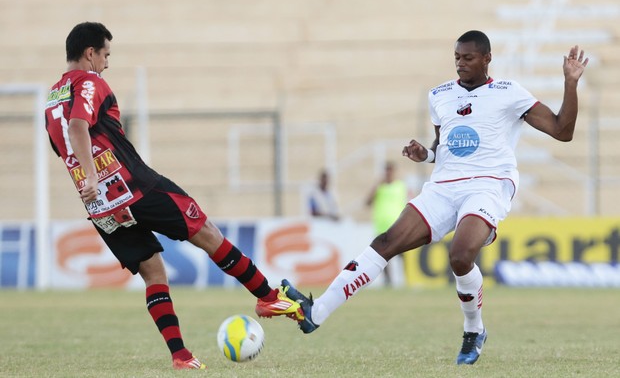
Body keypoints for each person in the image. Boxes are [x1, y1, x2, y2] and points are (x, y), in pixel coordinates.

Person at [282, 30, 588, 365]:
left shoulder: (509, 93)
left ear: (487, 58)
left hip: (487, 185)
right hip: (443, 186)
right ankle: (317, 312)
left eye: (468, 58)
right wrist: (425, 155)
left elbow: (563, 131)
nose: (460, 64)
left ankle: (474, 329)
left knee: (459, 256)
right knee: (385, 242)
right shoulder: (439, 95)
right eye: (456, 57)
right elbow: (444, 147)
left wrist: (570, 84)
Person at [44, 22, 302, 370]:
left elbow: (65, 148)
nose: (107, 63)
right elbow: (78, 127)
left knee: (153, 273)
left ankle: (181, 357)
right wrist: (95, 173)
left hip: (101, 206)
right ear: (90, 53)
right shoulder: (90, 82)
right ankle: (268, 298)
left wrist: (90, 180)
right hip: (134, 186)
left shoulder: (51, 99)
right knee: (207, 232)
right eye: (105, 55)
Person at [365, 161, 408, 286]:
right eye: (386, 170)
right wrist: (376, 186)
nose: (388, 173)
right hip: (382, 227)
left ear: (394, 171)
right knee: (383, 257)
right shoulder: (379, 187)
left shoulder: (400, 186)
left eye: (390, 170)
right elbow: (367, 202)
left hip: (398, 226)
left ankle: (406, 279)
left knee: (403, 255)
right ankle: (388, 281)